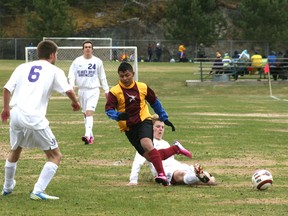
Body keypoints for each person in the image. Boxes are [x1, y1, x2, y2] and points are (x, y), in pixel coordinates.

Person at [1, 40, 81, 200]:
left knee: (15, 150)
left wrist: (6, 109)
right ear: (52, 54)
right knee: (55, 155)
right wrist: (75, 102)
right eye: (56, 54)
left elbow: (7, 88)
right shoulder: (54, 70)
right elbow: (68, 90)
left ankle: (7, 187)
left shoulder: (22, 67)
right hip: (33, 117)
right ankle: (38, 190)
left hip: (16, 113)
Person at [105, 62, 192, 186]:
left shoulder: (143, 87)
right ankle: (176, 149)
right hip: (129, 128)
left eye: (127, 75)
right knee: (152, 157)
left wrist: (164, 117)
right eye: (121, 76)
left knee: (146, 143)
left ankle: (162, 176)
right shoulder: (114, 91)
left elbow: (155, 102)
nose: (125, 78)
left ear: (133, 74)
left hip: (144, 121)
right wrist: (118, 115)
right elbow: (108, 110)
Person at [128, 115, 216, 186]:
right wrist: (133, 180)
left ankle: (198, 176)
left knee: (211, 181)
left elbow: (171, 160)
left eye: (162, 127)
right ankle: (197, 176)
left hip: (178, 165)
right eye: (158, 126)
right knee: (180, 175)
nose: (161, 129)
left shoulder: (165, 143)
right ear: (150, 128)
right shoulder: (147, 143)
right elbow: (137, 162)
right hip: (166, 170)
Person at [68, 40, 109, 145]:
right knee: (85, 114)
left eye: (89, 47)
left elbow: (102, 76)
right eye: (86, 47)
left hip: (93, 90)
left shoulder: (98, 61)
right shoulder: (77, 61)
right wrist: (71, 85)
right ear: (83, 49)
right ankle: (90, 137)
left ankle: (86, 135)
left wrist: (106, 90)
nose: (87, 49)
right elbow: (71, 74)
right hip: (82, 90)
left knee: (89, 112)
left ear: (92, 49)